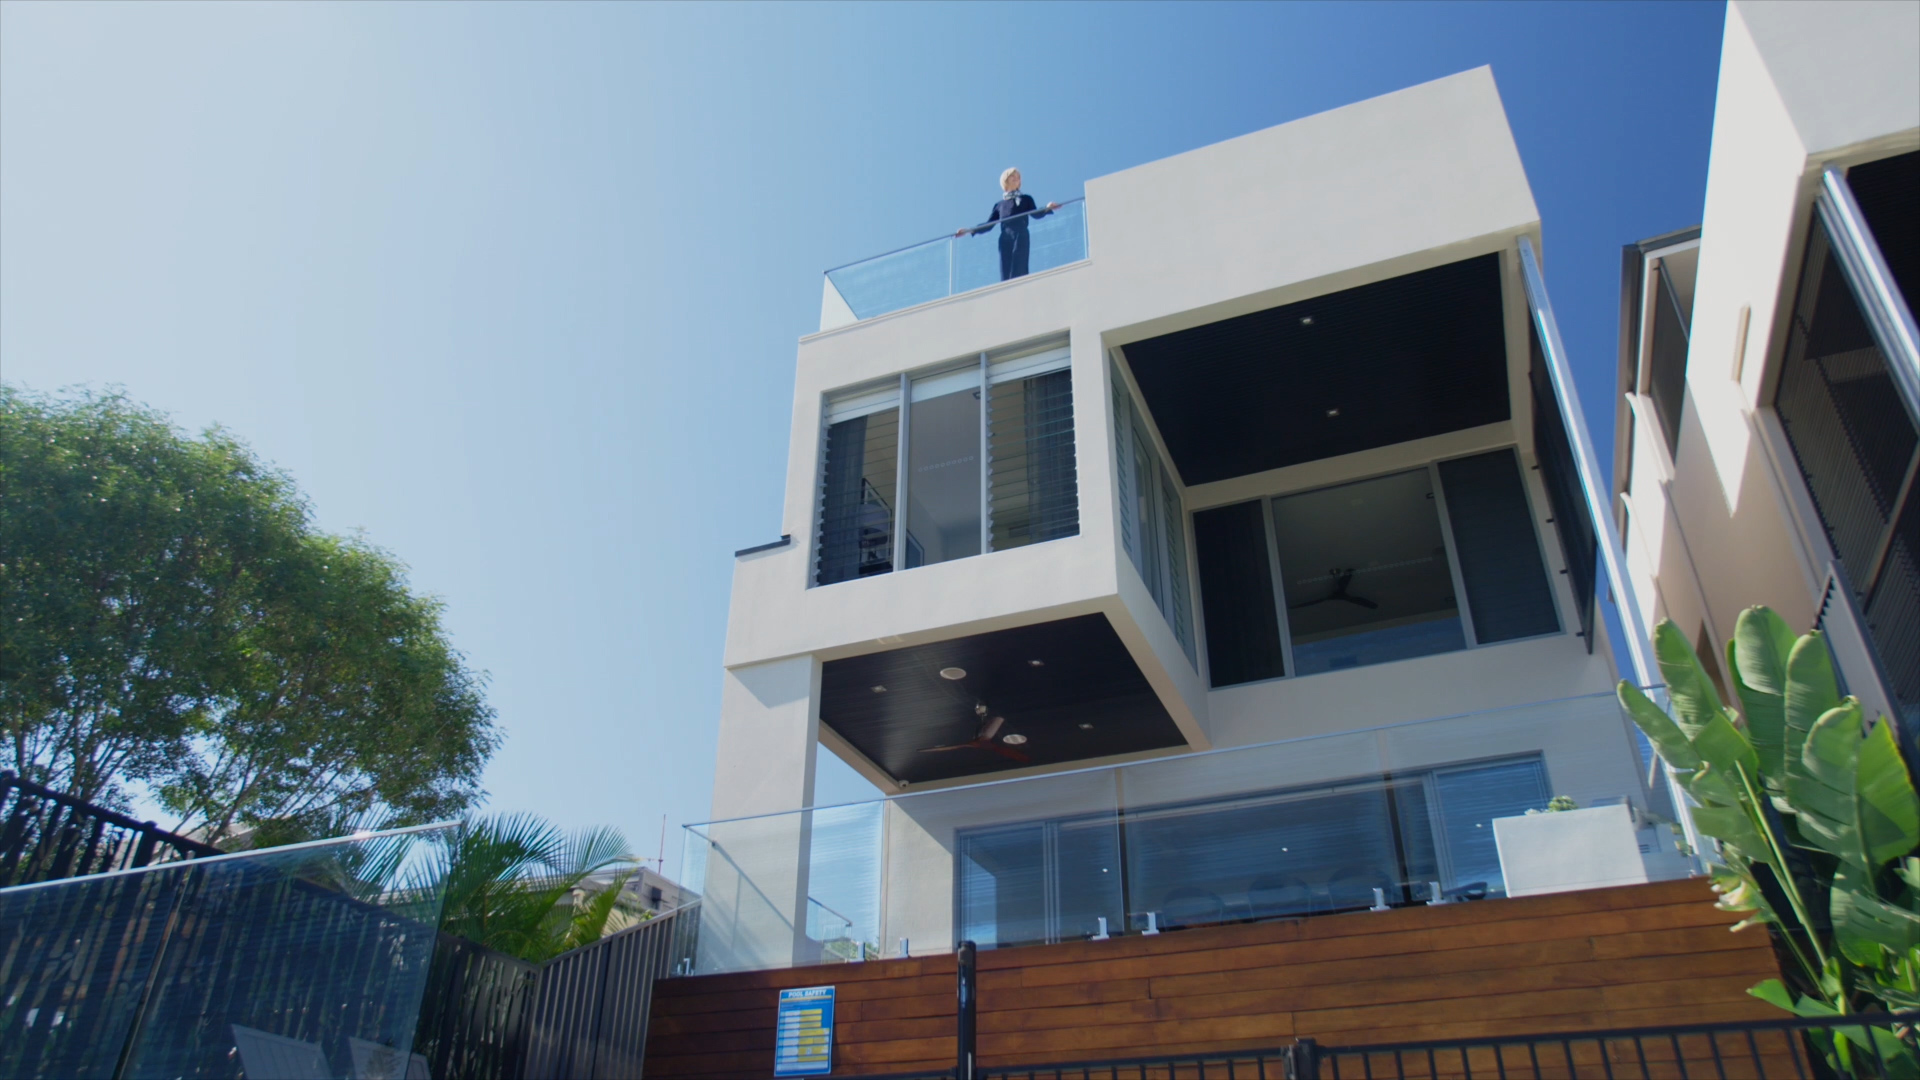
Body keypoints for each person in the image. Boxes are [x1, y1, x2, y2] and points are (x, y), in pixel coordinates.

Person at [957, 168, 1062, 281]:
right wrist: (970, 230)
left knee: (1019, 263)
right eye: (1013, 176)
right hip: (1005, 237)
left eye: (1018, 177)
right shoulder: (1000, 205)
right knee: (1005, 266)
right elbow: (989, 224)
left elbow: (1035, 214)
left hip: (1021, 234)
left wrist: (1047, 208)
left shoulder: (1026, 199)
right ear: (1005, 180)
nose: (1016, 178)